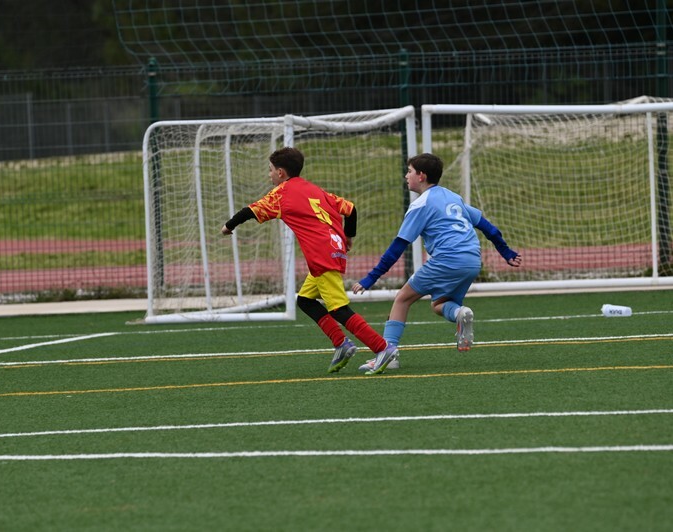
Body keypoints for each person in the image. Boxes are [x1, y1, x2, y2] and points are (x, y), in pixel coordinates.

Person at [222, 147, 397, 375]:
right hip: (333, 249)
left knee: (339, 309)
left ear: (281, 173)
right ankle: (341, 344)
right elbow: (351, 209)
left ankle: (382, 347)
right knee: (305, 301)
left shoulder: (281, 193)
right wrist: (348, 237)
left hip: (321, 255)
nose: (269, 174)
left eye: (270, 170)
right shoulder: (314, 189)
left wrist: (228, 226)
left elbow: (249, 211)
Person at [352, 153, 522, 374]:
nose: (406, 176)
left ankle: (388, 354)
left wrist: (371, 278)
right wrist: (505, 252)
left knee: (402, 299)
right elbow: (489, 228)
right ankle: (460, 313)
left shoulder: (420, 205)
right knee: (440, 304)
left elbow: (397, 247)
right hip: (472, 260)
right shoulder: (453, 197)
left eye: (410, 171)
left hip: (447, 260)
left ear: (421, 176)